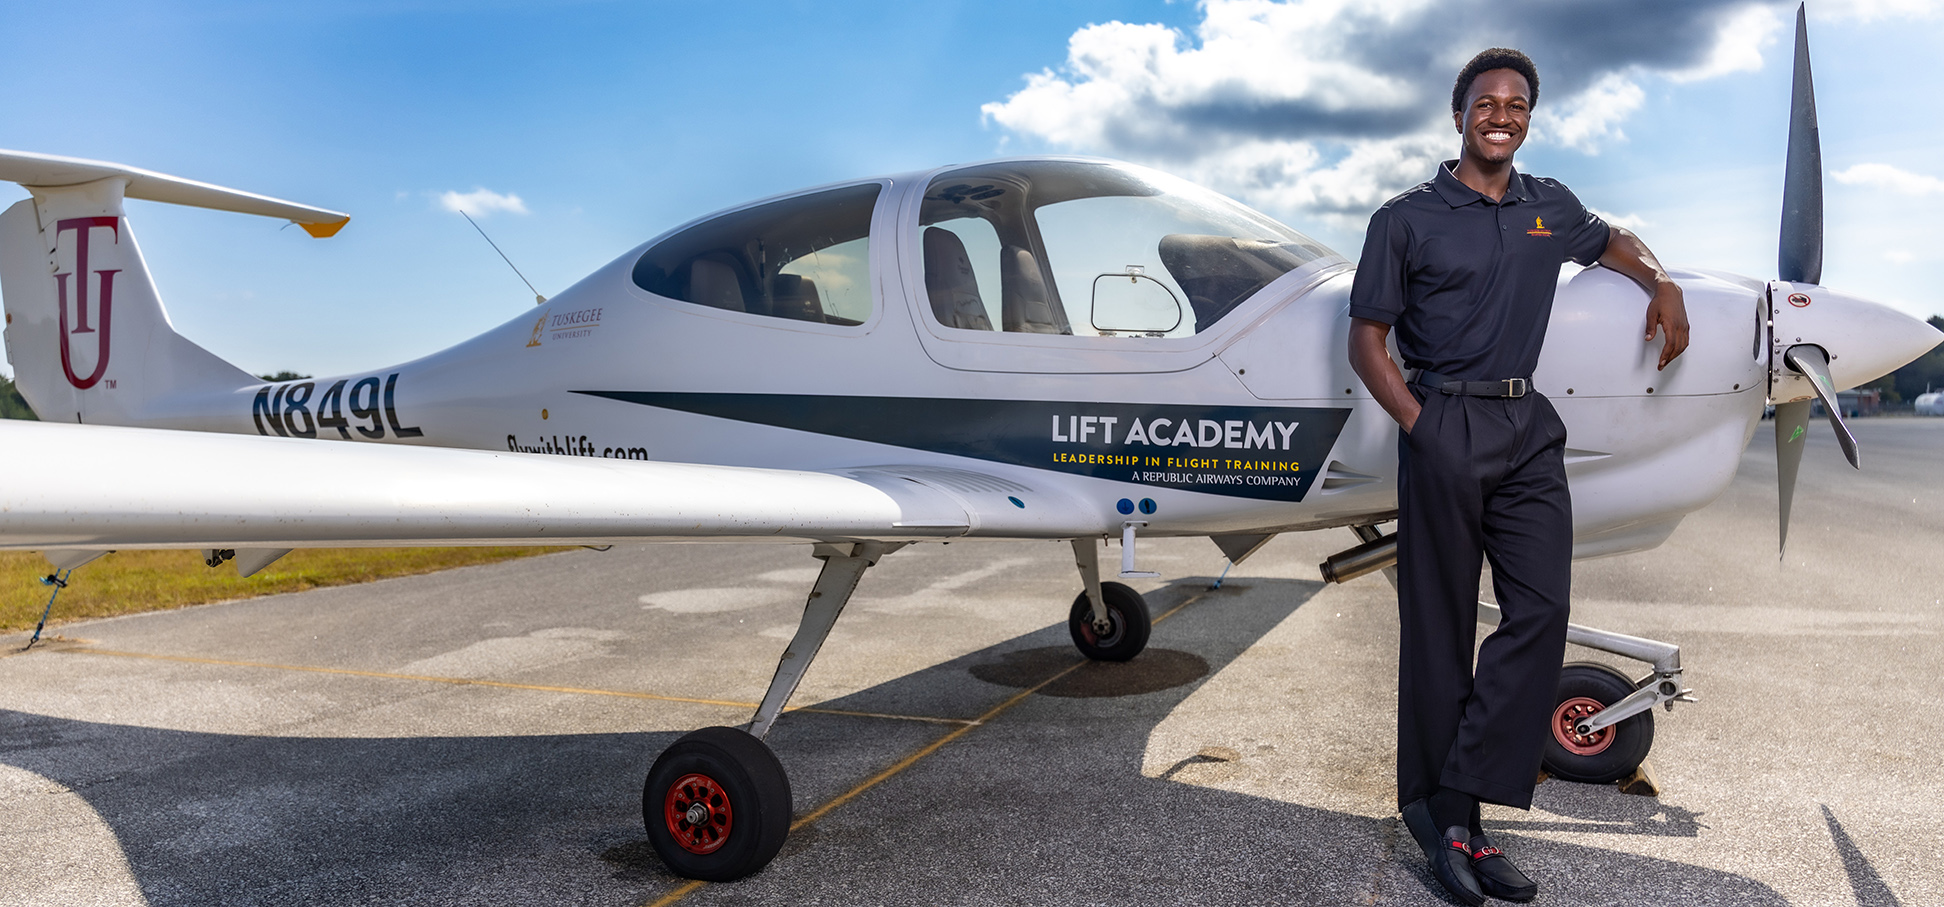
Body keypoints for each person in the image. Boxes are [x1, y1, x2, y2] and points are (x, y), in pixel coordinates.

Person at [1346, 48, 1688, 905]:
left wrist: (1661, 277)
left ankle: (1454, 803)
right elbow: (1366, 342)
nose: (1502, 114)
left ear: (1529, 117)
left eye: (1517, 104)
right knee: (1440, 628)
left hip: (1526, 423)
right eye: (1486, 102)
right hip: (1443, 423)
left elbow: (1611, 239)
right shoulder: (1406, 218)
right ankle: (1451, 822)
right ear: (1459, 114)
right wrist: (1426, 431)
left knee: (1540, 611)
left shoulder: (1549, 205)